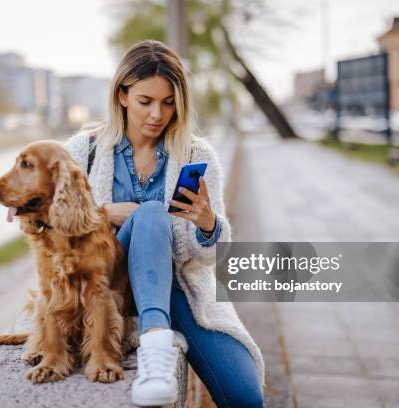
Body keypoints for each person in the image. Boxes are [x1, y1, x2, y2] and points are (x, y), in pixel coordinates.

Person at [66, 40, 265, 408]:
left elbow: (212, 258)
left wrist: (208, 225)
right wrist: (106, 215)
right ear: (122, 95)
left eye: (168, 102)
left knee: (245, 398)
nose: (158, 114)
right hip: (107, 284)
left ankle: (157, 333)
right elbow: (56, 230)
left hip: (180, 288)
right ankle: (156, 349)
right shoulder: (85, 150)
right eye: (146, 101)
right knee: (152, 213)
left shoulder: (197, 155)